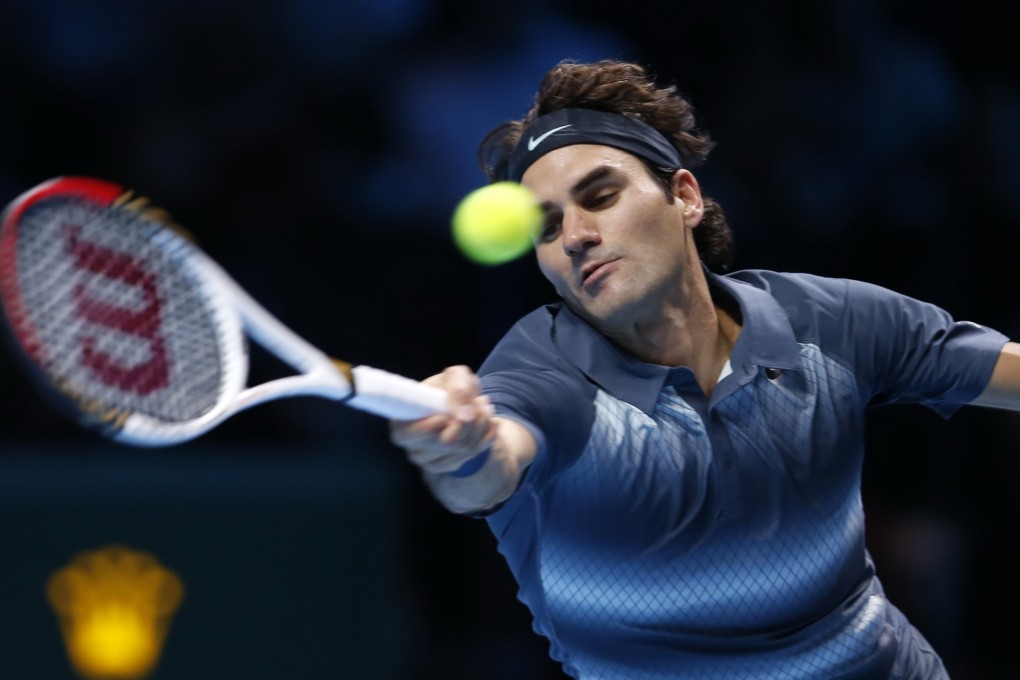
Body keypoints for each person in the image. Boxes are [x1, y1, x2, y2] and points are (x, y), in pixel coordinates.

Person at [390, 59, 1020, 679]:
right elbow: (493, 460)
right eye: (548, 227)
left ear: (684, 196)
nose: (576, 234)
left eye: (601, 196)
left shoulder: (829, 323)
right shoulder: (542, 372)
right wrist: (462, 447)